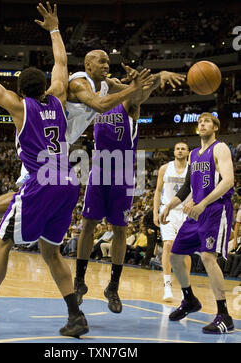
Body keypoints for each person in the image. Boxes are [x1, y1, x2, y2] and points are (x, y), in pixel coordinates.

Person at [0, 2, 92, 338]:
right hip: (69, 182)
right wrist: (55, 29)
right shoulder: (57, 97)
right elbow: (61, 63)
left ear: (20, 90)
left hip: (41, 183)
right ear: (45, 87)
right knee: (50, 252)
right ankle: (76, 317)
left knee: (0, 243)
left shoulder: (18, 106)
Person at [0, 50, 154, 254]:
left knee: (26, 194)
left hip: (56, 147)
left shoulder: (103, 85)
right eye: (102, 61)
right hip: (43, 142)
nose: (106, 66)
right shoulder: (75, 85)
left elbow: (137, 94)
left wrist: (146, 81)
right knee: (27, 195)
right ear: (88, 64)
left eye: (108, 62)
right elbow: (95, 99)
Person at [74, 69, 186, 313]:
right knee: (88, 224)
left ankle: (112, 286)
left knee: (120, 229)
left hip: (123, 175)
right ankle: (79, 281)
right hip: (98, 170)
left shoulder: (130, 101)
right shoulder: (98, 103)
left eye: (121, 80)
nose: (117, 80)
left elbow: (143, 90)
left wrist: (160, 76)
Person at [160, 112, 235, 334]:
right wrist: (168, 206)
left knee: (207, 256)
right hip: (197, 211)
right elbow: (186, 189)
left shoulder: (220, 148)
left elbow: (229, 180)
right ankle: (189, 299)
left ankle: (224, 315)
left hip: (215, 209)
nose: (202, 124)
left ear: (215, 127)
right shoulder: (193, 154)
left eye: (207, 122)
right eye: (200, 122)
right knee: (174, 254)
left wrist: (202, 203)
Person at [153, 142, 191, 302]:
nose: (180, 151)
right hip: (168, 211)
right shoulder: (164, 168)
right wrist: (155, 211)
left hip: (186, 212)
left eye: (183, 148)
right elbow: (158, 191)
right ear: (174, 151)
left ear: (188, 152)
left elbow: (197, 189)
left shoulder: (192, 169)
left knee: (185, 250)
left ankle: (185, 288)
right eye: (177, 148)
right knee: (168, 245)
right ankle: (167, 286)